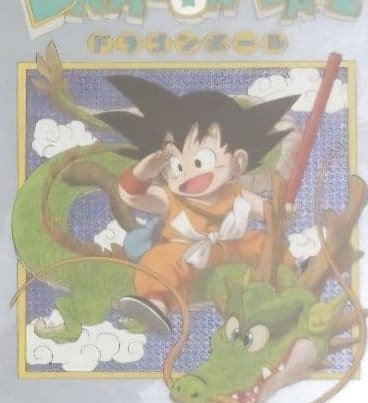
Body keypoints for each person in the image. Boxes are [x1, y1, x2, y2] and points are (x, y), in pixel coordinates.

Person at [99, 75, 297, 335]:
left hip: (230, 247)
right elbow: (131, 196)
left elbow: (269, 213)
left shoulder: (237, 194)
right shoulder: (170, 198)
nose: (187, 174)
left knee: (265, 243)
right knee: (159, 260)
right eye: (176, 166)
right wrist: (143, 171)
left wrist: (281, 213)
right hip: (183, 250)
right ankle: (156, 302)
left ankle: (293, 277)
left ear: (237, 162)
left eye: (200, 161)